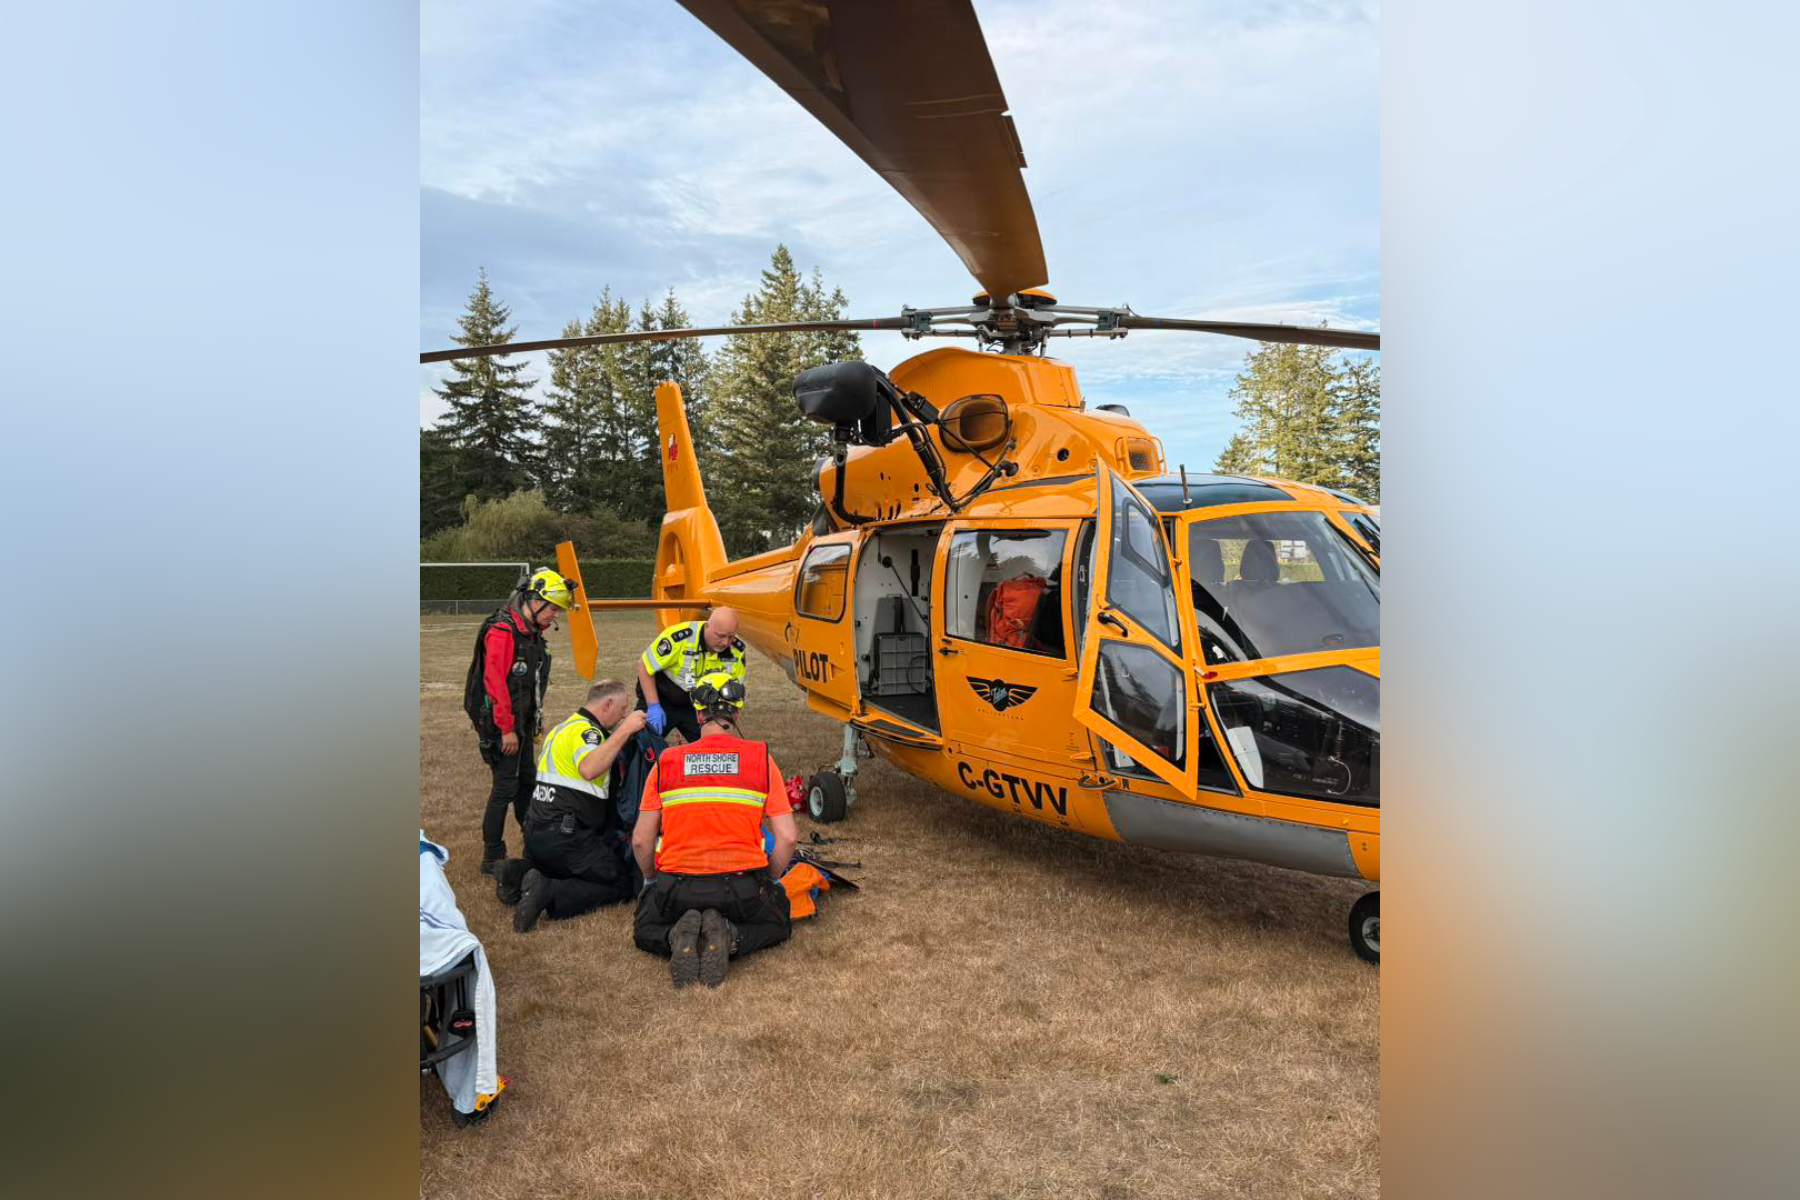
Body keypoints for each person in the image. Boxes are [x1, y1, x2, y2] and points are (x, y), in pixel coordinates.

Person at [630, 674, 796, 988]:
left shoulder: (667, 761)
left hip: (676, 888)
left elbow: (641, 840)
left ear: (697, 714)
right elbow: (787, 837)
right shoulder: (760, 759)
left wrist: (651, 879)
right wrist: (771, 880)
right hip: (741, 888)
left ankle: (674, 935)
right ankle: (731, 935)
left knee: (644, 928)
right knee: (778, 923)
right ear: (736, 713)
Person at [505, 679, 649, 933]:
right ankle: (549, 893)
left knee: (572, 866)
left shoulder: (563, 728)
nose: (623, 715)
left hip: (537, 833)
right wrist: (624, 731)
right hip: (566, 836)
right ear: (608, 704)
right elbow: (590, 768)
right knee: (621, 882)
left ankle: (518, 872)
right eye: (623, 708)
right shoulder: (587, 732)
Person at [463, 568, 569, 874]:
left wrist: (532, 722)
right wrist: (506, 729)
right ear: (533, 601)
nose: (554, 616)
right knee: (505, 788)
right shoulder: (502, 631)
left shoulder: (530, 633)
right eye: (552, 608)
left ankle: (534, 843)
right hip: (502, 726)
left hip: (521, 724)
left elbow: (529, 684)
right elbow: (495, 683)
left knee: (527, 784)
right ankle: (492, 857)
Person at [635, 607, 748, 744]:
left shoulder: (737, 650)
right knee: (639, 745)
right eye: (720, 635)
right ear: (707, 626)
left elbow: (733, 689)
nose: (725, 642)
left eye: (731, 637)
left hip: (699, 706)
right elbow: (645, 665)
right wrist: (653, 706)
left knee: (714, 747)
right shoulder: (679, 637)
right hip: (662, 699)